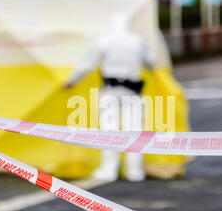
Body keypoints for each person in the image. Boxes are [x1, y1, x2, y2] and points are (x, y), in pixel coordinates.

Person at [63, 13, 155, 182]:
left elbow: (86, 65)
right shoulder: (138, 41)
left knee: (109, 130)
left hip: (110, 91)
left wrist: (71, 81)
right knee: (134, 130)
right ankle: (135, 171)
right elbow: (151, 63)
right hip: (132, 90)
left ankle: (109, 170)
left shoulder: (104, 40)